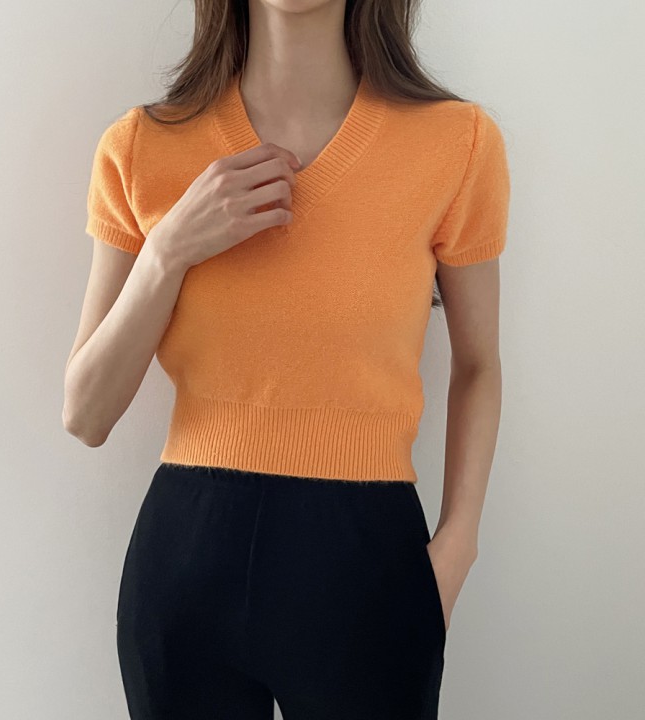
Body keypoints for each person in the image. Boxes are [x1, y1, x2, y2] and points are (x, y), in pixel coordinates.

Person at [63, 1, 511, 717]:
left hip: (371, 566)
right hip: (184, 569)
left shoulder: (456, 144)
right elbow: (85, 414)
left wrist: (456, 550)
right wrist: (169, 251)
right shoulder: (142, 147)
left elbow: (479, 363)